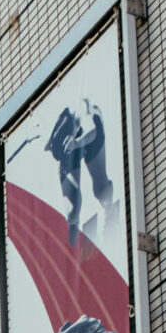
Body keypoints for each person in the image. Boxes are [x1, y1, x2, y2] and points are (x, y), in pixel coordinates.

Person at [44, 99, 115, 246]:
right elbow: (47, 146)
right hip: (68, 146)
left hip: (92, 134)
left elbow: (92, 131)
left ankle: (110, 210)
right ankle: (74, 224)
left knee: (100, 192)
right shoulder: (54, 132)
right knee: (71, 212)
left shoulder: (81, 109)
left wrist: (76, 143)